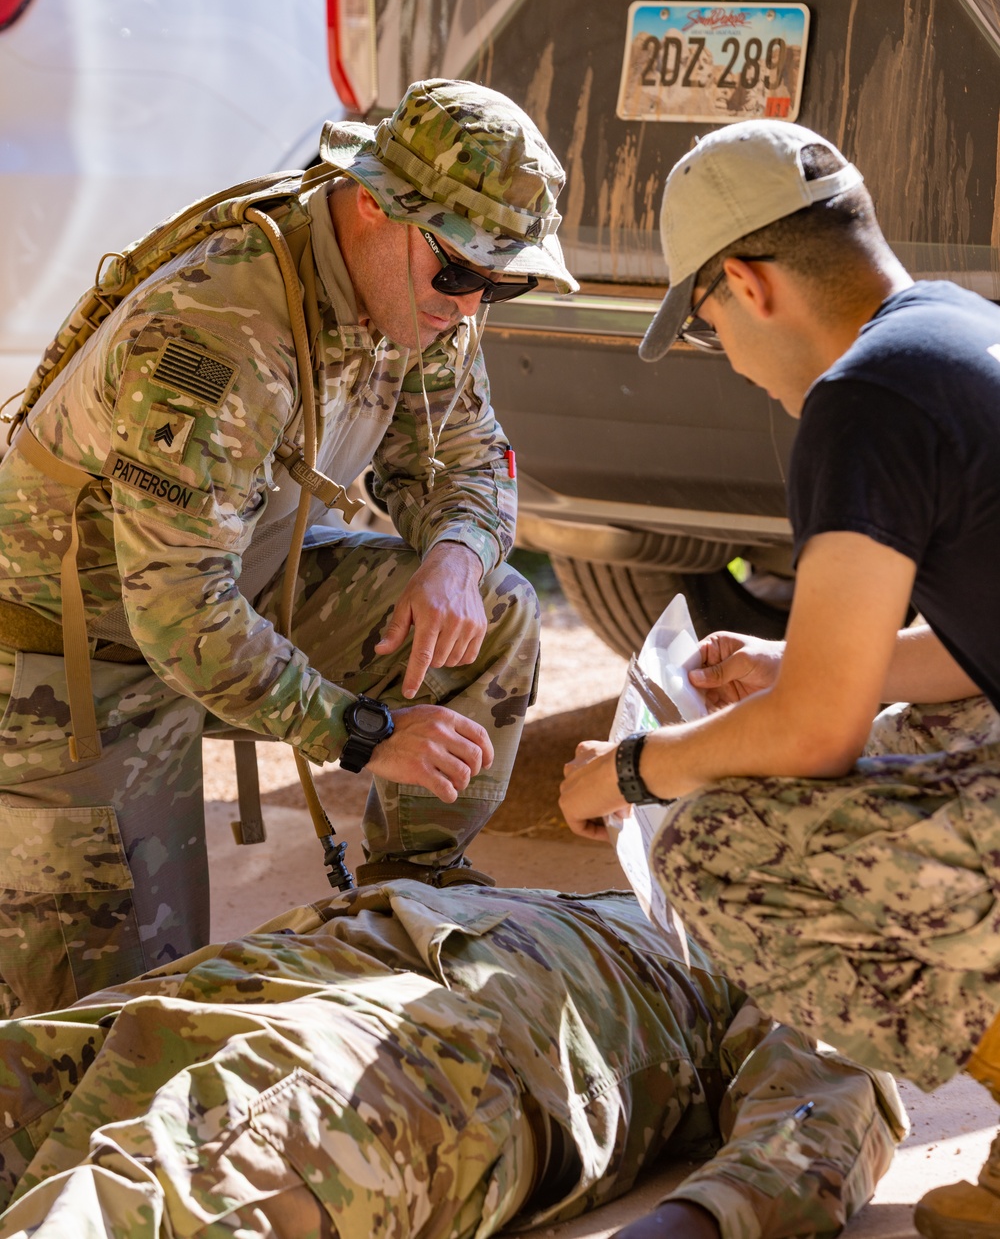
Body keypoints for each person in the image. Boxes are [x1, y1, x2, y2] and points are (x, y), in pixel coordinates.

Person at [0, 78, 574, 1019]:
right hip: (71, 662)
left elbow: (468, 455)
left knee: (497, 607)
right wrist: (364, 733)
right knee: (102, 1030)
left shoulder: (414, 288)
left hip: (235, 591)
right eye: (466, 275)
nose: (472, 306)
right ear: (374, 205)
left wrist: (456, 556)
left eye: (503, 283)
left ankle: (412, 910)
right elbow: (180, 614)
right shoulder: (219, 332)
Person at [556, 119, 1000, 1238]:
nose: (734, 360)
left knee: (716, 848)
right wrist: (782, 662)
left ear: (748, 284)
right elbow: (971, 647)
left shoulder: (862, 400)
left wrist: (632, 770)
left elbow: (814, 738)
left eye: (705, 328)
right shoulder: (955, 330)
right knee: (912, 733)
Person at [0, 881, 903, 1238]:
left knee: (183, 1171)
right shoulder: (640, 879)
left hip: (449, 1047)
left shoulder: (804, 954)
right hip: (296, 967)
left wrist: (682, 1229)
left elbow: (820, 1117)